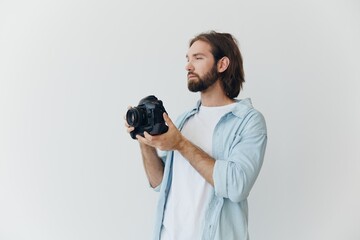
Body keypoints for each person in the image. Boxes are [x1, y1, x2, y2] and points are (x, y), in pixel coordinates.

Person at [125, 31, 267, 240]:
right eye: (188, 59)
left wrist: (181, 144)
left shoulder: (248, 121)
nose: (188, 66)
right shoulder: (183, 121)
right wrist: (143, 140)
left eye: (198, 58)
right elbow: (159, 183)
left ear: (222, 64)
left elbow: (237, 186)